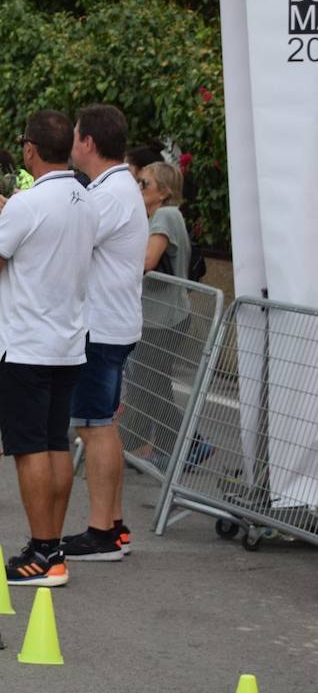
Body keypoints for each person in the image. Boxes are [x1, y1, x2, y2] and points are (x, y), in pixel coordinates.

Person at [0, 110, 96, 586]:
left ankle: (42, 553)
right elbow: (36, 246)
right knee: (55, 444)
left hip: (25, 344)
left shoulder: (29, 203)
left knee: (29, 449)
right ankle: (51, 545)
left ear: (30, 149)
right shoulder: (84, 197)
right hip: (67, 342)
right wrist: (2, 221)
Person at [61, 104, 148, 562]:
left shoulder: (109, 193)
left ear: (88, 142)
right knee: (102, 426)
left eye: (75, 136)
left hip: (102, 326)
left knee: (94, 428)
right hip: (112, 323)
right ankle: (113, 526)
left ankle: (101, 532)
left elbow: (67, 239)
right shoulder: (114, 188)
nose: (72, 144)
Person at [121, 162, 202, 472]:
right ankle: (167, 446)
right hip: (161, 316)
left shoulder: (166, 215)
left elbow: (147, 260)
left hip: (162, 319)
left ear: (164, 193)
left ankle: (182, 447)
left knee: (150, 384)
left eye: (145, 184)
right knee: (152, 384)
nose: (139, 188)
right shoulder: (162, 216)